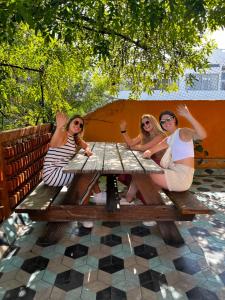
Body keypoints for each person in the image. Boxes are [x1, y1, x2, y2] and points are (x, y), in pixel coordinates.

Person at [42, 112, 104, 228]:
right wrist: (59, 126)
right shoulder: (64, 134)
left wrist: (87, 150)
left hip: (63, 170)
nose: (78, 126)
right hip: (52, 173)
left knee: (87, 173)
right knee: (85, 176)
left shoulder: (75, 138)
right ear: (70, 122)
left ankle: (97, 196)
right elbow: (53, 144)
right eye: (76, 122)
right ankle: (84, 213)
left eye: (81, 125)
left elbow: (86, 146)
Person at [142, 105, 207, 191]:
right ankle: (129, 198)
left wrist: (188, 116)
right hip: (173, 172)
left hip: (182, 177)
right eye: (163, 122)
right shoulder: (169, 139)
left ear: (174, 119)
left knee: (144, 173)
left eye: (168, 119)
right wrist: (148, 152)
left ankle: (131, 199)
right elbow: (152, 150)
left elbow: (202, 135)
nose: (166, 123)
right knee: (141, 173)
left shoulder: (183, 132)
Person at [119, 114, 166, 204]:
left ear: (153, 122)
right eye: (143, 124)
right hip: (148, 162)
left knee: (139, 174)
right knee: (135, 170)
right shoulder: (144, 134)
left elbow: (144, 148)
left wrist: (132, 147)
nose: (145, 125)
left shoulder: (161, 135)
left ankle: (128, 199)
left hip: (160, 165)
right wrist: (123, 130)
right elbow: (130, 143)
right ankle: (129, 197)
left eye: (147, 122)